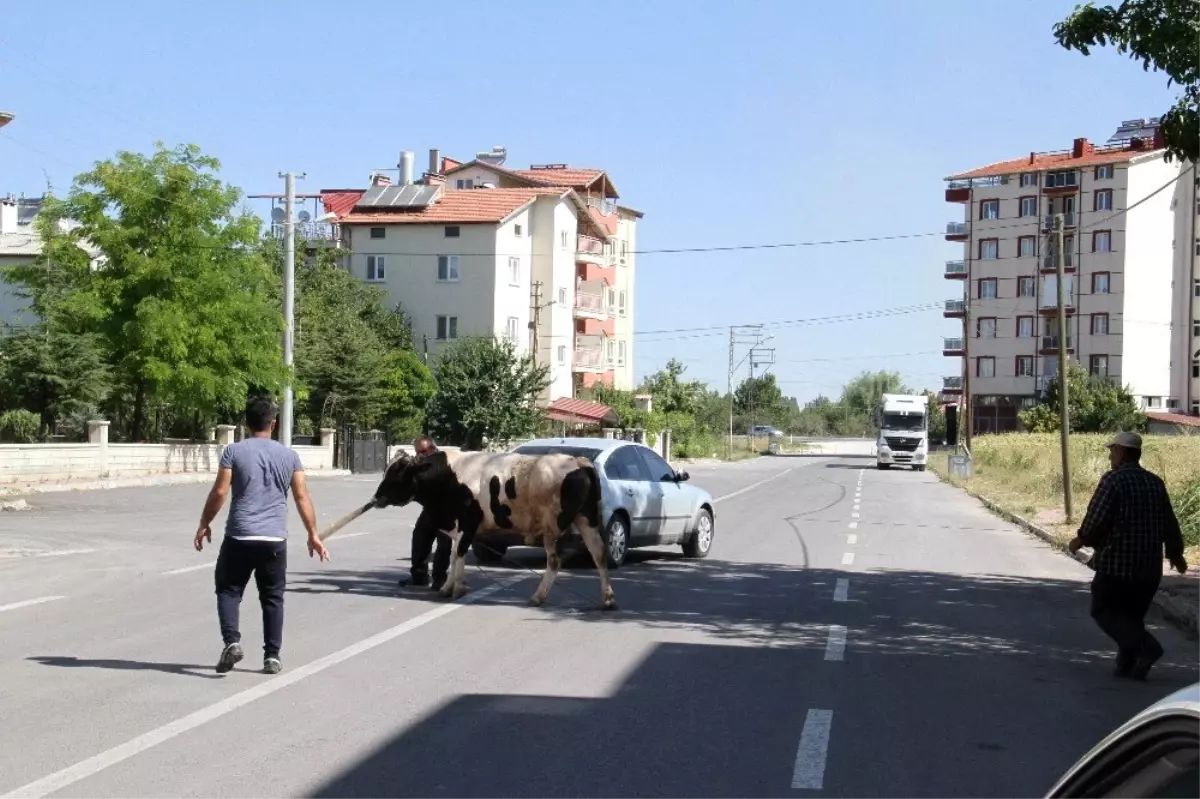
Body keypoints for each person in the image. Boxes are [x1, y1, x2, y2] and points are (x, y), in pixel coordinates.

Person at [194, 396, 330, 675]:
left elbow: (220, 492)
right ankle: (272, 656)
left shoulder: (234, 451)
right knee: (272, 597)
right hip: (274, 539)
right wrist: (313, 533)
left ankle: (232, 642)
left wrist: (205, 523)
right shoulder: (290, 456)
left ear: (246, 422)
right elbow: (301, 496)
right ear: (273, 423)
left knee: (229, 591)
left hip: (239, 536)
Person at [1069, 431, 1187, 681]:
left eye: (1112, 451)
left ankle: (1148, 648)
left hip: (1117, 565)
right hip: (1148, 569)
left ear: (1121, 453)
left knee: (1105, 611)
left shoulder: (1113, 481)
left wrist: (1080, 540)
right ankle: (1128, 664)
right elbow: (1169, 521)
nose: (1110, 456)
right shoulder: (1155, 482)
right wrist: (1176, 554)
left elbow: (1096, 519)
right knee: (1132, 616)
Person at [398, 435, 454, 591]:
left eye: (423, 451)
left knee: (444, 544)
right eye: (418, 452)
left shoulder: (445, 462)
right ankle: (419, 576)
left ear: (433, 449)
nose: (420, 455)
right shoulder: (420, 466)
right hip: (430, 509)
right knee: (420, 537)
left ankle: (440, 579)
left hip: (446, 510)